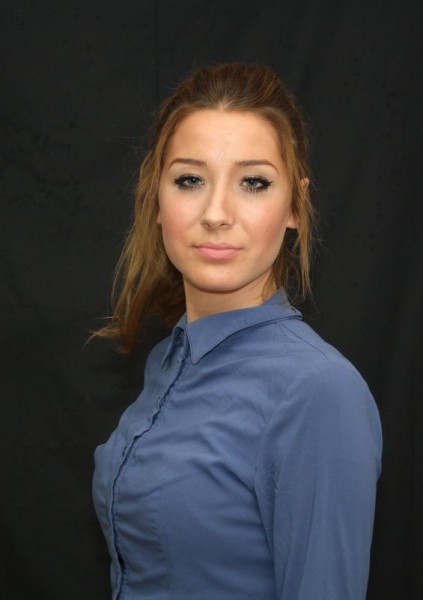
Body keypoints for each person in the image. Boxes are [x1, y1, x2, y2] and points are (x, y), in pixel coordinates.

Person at [92, 63, 382, 600]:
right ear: (156, 200)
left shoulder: (318, 391)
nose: (216, 213)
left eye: (253, 182)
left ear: (295, 206)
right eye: (190, 180)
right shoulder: (168, 360)